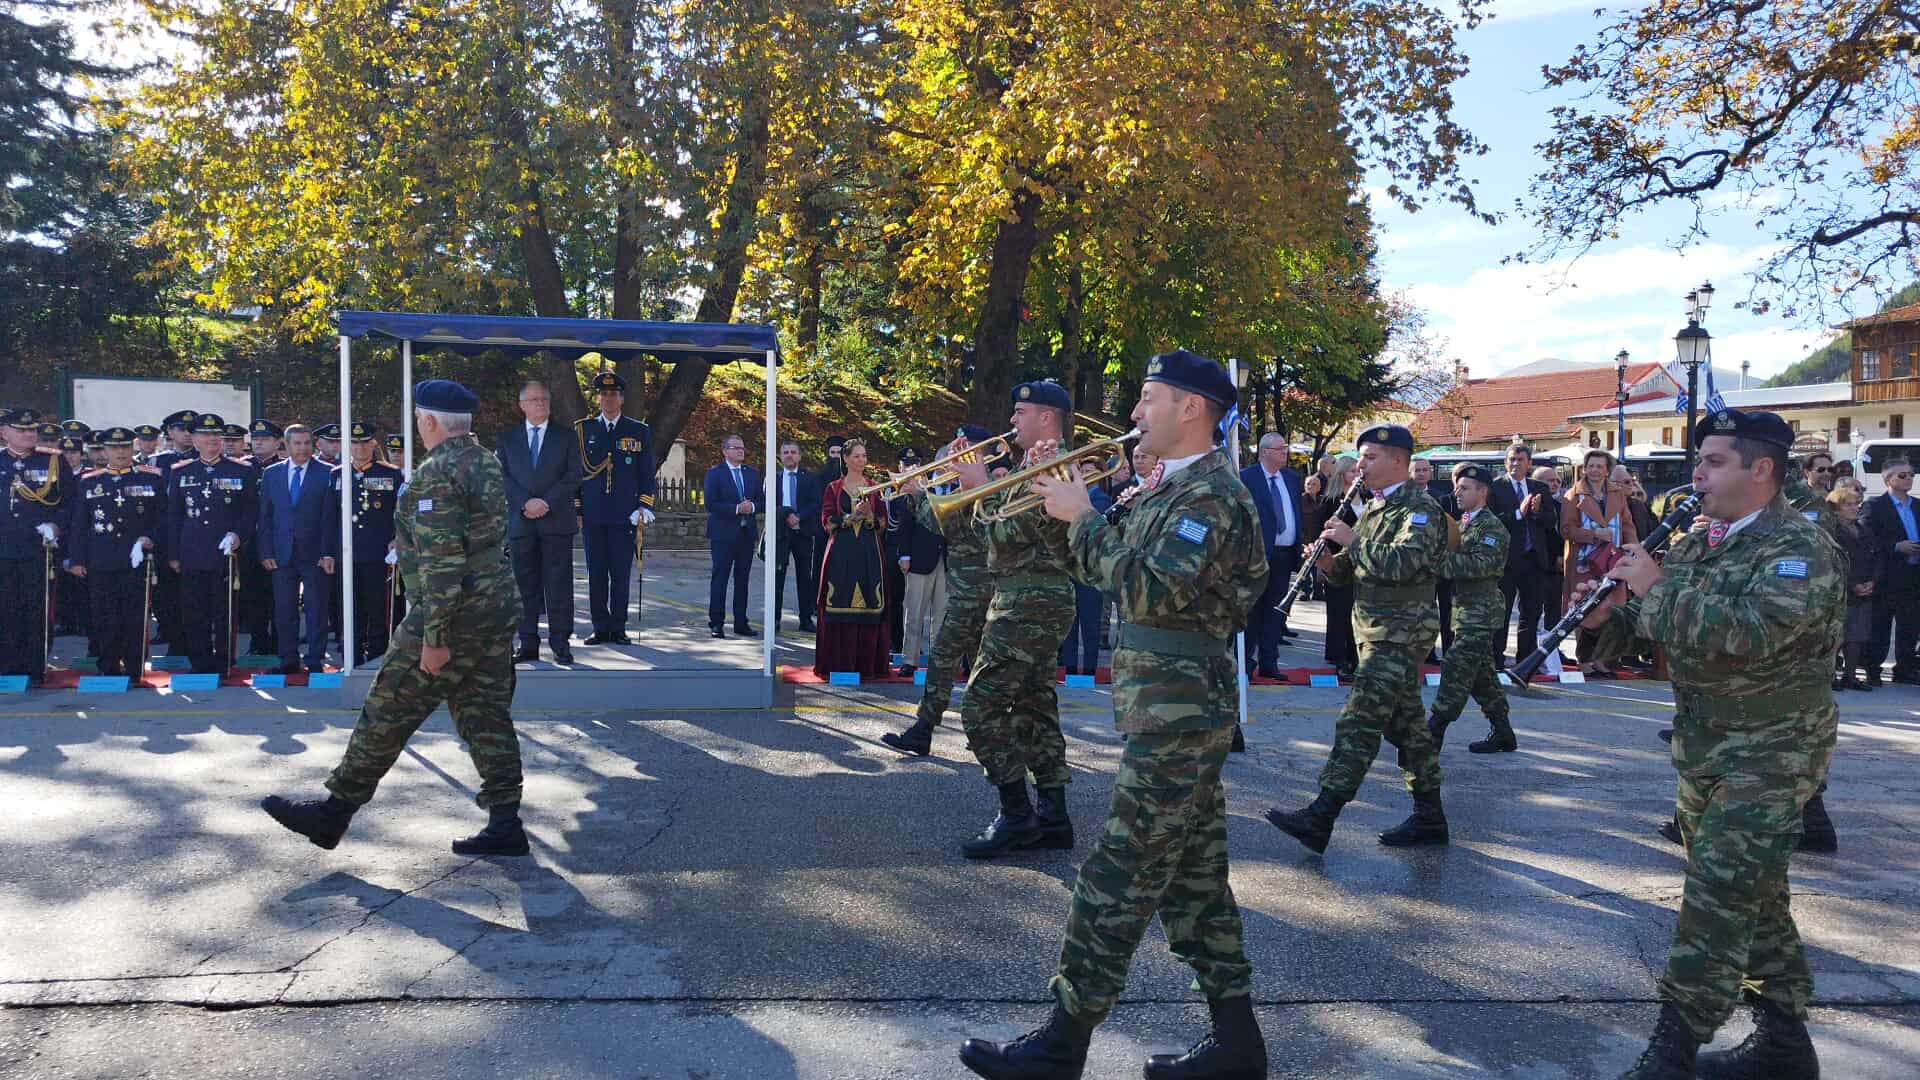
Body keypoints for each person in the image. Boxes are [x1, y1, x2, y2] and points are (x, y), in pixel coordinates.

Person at [959, 350, 1268, 1080]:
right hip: (1167, 709)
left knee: (1115, 878)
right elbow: (1097, 567)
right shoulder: (1170, 488)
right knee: (1195, 885)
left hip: (1180, 716)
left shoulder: (1211, 497)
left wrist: (1086, 516)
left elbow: (1148, 590)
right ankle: (1237, 1046)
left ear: (1191, 408)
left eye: (1148, 397)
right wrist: (1056, 507)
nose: (1134, 412)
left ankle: (1062, 1046)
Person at [1576, 409, 1842, 1080]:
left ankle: (1672, 1051)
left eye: (1714, 462)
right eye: (1698, 461)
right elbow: (1663, 630)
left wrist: (1657, 590)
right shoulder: (1701, 543)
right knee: (1754, 894)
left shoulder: (1801, 549)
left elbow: (1751, 633)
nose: (1697, 474)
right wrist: (1606, 617)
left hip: (1774, 748)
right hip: (1706, 745)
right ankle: (1784, 1044)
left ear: (1762, 469)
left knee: (1718, 894)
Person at [262, 379, 528, 856]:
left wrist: (435, 637)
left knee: (386, 709)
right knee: (485, 714)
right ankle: (505, 820)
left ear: (429, 421)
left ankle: (333, 813)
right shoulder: (484, 461)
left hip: (452, 614)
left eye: (420, 420)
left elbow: (444, 562)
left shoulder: (435, 473)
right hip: (494, 609)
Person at [1267, 423, 1450, 854]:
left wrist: (1353, 539)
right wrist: (1326, 561)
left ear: (1398, 460)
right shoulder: (1374, 507)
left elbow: (1403, 564)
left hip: (1402, 633)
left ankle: (1322, 815)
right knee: (1408, 726)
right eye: (1361, 457)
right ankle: (1430, 816)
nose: (1361, 465)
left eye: (1370, 457)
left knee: (1359, 719)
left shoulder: (1420, 509)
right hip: (1372, 629)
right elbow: (1350, 570)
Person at [945, 380, 1079, 859]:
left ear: (1046, 417)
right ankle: (1053, 816)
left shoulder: (1052, 466)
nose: (1011, 421)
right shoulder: (1033, 463)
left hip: (1029, 603)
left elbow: (1002, 538)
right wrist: (979, 488)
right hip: (1029, 599)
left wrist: (978, 486)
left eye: (1020, 412)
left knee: (979, 707)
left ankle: (1017, 814)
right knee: (1034, 706)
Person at [882, 426, 1001, 755]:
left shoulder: (989, 488)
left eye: (962, 449)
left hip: (977, 591)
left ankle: (927, 730)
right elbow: (937, 525)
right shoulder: (963, 487)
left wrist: (922, 495)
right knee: (977, 665)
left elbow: (961, 529)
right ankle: (983, 732)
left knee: (946, 659)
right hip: (966, 590)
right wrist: (917, 495)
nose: (954, 456)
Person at [1426, 463, 1515, 753]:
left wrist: (1436, 561)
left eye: (1464, 488)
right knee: (1481, 677)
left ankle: (1434, 729)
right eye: (1457, 487)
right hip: (1465, 609)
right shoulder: (1464, 522)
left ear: (1482, 491)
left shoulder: (1491, 527)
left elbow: (1479, 565)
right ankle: (1503, 731)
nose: (1457, 492)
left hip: (1481, 610)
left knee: (1456, 666)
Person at [64, 427, 165, 679]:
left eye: (125, 447)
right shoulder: (90, 481)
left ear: (133, 448)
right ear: (104, 450)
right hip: (101, 558)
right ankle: (108, 666)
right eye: (114, 447)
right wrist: (76, 559)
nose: (120, 452)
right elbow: (79, 524)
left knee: (135, 615)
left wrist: (150, 538)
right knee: (104, 616)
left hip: (136, 559)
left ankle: (134, 667)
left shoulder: (151, 478)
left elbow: (163, 518)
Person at [496, 380, 581, 664]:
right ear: (522, 405)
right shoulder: (507, 439)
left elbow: (573, 475)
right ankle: (527, 642)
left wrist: (546, 502)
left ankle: (560, 643)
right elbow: (502, 476)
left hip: (556, 521)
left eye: (544, 399)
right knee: (524, 586)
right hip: (521, 522)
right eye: (533, 400)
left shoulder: (566, 436)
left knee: (558, 585)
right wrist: (525, 502)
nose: (540, 404)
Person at [168, 413, 257, 675]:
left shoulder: (241, 470)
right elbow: (173, 516)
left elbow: (250, 511)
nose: (212, 439)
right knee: (194, 611)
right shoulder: (181, 471)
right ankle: (200, 662)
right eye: (206, 435)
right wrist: (173, 554)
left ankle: (224, 660)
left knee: (224, 610)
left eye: (216, 435)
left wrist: (238, 535)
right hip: (192, 552)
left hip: (226, 553)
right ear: (194, 440)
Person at [574, 371, 656, 646]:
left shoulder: (638, 430)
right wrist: (578, 509)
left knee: (620, 575)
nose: (608, 399)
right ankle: (600, 627)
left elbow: (646, 472)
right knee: (596, 575)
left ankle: (618, 627)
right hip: (593, 515)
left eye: (613, 394)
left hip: (624, 515)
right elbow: (575, 474)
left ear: (622, 399)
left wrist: (643, 506)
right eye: (604, 394)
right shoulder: (584, 430)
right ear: (598, 398)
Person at [323, 423, 408, 667]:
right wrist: (327, 552)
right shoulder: (337, 474)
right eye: (354, 443)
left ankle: (377, 656)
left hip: (378, 553)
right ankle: (352, 655)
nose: (359, 447)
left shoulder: (392, 474)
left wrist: (397, 538)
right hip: (347, 553)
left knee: (377, 607)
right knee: (349, 608)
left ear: (373, 444)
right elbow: (329, 517)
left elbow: (402, 513)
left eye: (364, 442)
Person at [1, 409, 74, 684]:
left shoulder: (53, 460)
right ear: (4, 432)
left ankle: (35, 666)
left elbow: (71, 502)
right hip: (4, 546)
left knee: (37, 607)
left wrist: (56, 526)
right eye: (21, 430)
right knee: (6, 607)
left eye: (32, 429)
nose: (28, 434)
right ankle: (7, 666)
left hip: (38, 548)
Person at [256, 424, 333, 675]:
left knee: (316, 609)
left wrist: (327, 552)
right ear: (287, 445)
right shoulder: (272, 474)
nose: (303, 448)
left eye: (307, 443)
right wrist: (266, 551)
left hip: (315, 554)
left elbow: (330, 518)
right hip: (281, 553)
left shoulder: (328, 473)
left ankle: (314, 659)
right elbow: (265, 516)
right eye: (297, 443)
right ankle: (287, 659)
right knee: (284, 609)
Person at [813, 439, 890, 676]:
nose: (861, 460)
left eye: (864, 456)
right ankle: (838, 664)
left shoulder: (874, 487)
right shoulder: (834, 488)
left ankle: (868, 666)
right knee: (838, 600)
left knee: (871, 600)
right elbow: (827, 522)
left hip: (869, 552)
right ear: (845, 459)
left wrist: (869, 516)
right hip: (841, 553)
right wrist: (851, 516)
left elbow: (883, 522)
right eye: (856, 456)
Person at [1562, 449, 1638, 678]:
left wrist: (1633, 549)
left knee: (1611, 610)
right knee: (1584, 610)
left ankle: (1602, 660)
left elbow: (1627, 524)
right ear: (1584, 469)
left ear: (1607, 470)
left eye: (1599, 466)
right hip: (1584, 562)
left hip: (1612, 560)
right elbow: (1566, 529)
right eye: (1591, 466)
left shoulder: (1617, 494)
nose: (1594, 470)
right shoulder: (1573, 495)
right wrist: (1593, 534)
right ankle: (1585, 660)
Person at [1241, 431, 1304, 679]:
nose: (1284, 452)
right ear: (1265, 452)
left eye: (1285, 448)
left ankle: (1269, 662)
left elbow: (1295, 513)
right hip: (1256, 556)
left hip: (1284, 555)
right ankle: (1246, 662)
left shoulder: (1291, 478)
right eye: (1280, 449)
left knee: (1276, 610)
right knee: (1252, 611)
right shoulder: (1247, 478)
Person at [1490, 441, 1557, 667]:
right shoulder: (1495, 487)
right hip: (1507, 561)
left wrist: (1536, 512)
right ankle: (1497, 661)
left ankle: (1525, 662)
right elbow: (1492, 521)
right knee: (1502, 613)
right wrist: (1518, 513)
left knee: (1532, 613)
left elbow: (1550, 521)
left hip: (1534, 560)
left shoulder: (1539, 488)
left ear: (1529, 464)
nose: (1515, 464)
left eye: (1520, 460)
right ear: (1505, 462)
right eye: (1512, 460)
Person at [1860, 456, 1920, 686]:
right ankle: (1872, 669)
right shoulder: (1875, 506)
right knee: (1880, 626)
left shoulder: (1918, 505)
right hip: (1886, 577)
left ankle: (1905, 669)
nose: (1909, 479)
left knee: (1910, 626)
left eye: (1911, 475)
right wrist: (1896, 547)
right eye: (1902, 475)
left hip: (1913, 577)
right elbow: (1867, 539)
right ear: (1888, 479)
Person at [890, 459, 948, 677]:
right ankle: (909, 660)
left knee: (942, 614)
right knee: (914, 612)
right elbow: (905, 525)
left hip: (946, 559)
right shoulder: (917, 489)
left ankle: (939, 660)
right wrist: (904, 555)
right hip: (919, 558)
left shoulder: (956, 487)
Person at [703, 433, 762, 637]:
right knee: (720, 579)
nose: (740, 451)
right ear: (725, 451)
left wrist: (751, 507)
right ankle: (716, 623)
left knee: (742, 580)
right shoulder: (715, 473)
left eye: (742, 448)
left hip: (746, 535)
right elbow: (710, 504)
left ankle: (741, 622)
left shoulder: (752, 473)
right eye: (736, 448)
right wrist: (737, 509)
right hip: (722, 535)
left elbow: (762, 501)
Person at [1827, 485, 1876, 691]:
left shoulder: (1865, 530)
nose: (1854, 508)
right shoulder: (1830, 531)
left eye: (1856, 504)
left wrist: (1872, 581)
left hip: (1864, 592)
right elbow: (1831, 563)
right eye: (1848, 504)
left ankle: (1850, 676)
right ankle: (1830, 677)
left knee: (1857, 636)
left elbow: (1876, 557)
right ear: (1836, 508)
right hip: (1840, 592)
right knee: (1836, 637)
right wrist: (1852, 585)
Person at [772, 439, 822, 633]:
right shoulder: (773, 478)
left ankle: (806, 619)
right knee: (778, 577)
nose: (789, 455)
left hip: (803, 532)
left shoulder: (810, 478)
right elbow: (769, 502)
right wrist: (786, 515)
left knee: (804, 577)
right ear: (780, 456)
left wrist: (799, 516)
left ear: (799, 456)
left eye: (793, 452)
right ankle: (774, 618)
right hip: (781, 533)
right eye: (785, 452)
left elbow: (815, 503)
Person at [1319, 457, 1360, 678]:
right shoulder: (1331, 501)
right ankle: (1340, 658)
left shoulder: (1370, 499)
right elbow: (1322, 533)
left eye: (1358, 471)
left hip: (1362, 563)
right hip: (1338, 562)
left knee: (1357, 613)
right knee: (1340, 612)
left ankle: (1356, 657)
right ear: (1342, 474)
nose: (1356, 474)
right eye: (1352, 471)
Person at [814, 435, 847, 588]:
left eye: (838, 453)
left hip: (846, 531)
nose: (835, 457)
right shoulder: (818, 478)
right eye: (832, 453)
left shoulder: (851, 477)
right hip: (823, 532)